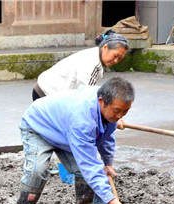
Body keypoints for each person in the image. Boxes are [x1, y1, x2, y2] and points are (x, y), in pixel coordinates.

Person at [14, 77, 133, 204]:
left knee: (84, 172)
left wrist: (108, 162)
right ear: (101, 101)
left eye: (125, 111)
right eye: (117, 111)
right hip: (38, 126)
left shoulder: (111, 107)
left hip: (65, 131)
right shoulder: (83, 121)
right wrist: (111, 201)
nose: (120, 116)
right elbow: (89, 164)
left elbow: (106, 135)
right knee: (36, 171)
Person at [31, 29, 129, 185]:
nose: (116, 60)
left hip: (46, 90)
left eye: (120, 58)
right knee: (72, 135)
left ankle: (63, 172)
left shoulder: (94, 58)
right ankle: (66, 175)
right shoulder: (93, 64)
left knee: (66, 136)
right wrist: (111, 117)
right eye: (115, 55)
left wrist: (114, 116)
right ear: (105, 48)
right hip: (48, 93)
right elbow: (86, 98)